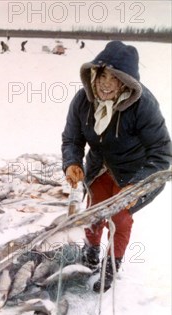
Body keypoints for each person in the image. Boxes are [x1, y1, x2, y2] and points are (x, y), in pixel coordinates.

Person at [62, 41, 172, 292]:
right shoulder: (83, 100)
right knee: (94, 212)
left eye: (115, 77)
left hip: (133, 173)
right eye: (102, 75)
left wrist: (136, 186)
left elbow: (162, 154)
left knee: (119, 218)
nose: (106, 84)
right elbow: (72, 138)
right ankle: (90, 252)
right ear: (94, 74)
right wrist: (72, 163)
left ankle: (111, 266)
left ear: (126, 82)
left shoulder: (144, 106)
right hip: (99, 168)